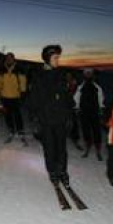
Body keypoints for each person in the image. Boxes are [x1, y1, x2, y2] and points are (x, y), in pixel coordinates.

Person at [28, 45, 74, 187]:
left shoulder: (61, 75)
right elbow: (33, 99)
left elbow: (66, 97)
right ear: (47, 59)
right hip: (46, 120)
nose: (58, 60)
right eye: (55, 57)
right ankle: (52, 171)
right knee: (49, 148)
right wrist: (35, 118)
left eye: (58, 57)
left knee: (61, 148)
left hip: (60, 119)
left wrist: (69, 114)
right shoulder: (39, 77)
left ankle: (62, 171)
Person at [0, 52, 27, 144]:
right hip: (4, 96)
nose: (9, 59)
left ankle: (20, 130)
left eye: (10, 58)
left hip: (15, 96)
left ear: (14, 59)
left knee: (17, 114)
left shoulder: (18, 69)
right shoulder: (2, 69)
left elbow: (23, 82)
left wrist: (23, 93)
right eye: (7, 58)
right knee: (7, 115)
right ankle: (11, 129)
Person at [74, 68, 105, 160]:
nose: (88, 74)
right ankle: (87, 148)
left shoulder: (97, 87)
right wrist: (76, 107)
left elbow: (101, 98)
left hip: (94, 112)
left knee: (97, 131)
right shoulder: (81, 87)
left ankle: (98, 150)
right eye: (86, 73)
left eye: (89, 73)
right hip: (84, 112)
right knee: (86, 131)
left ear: (92, 74)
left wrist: (101, 108)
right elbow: (76, 98)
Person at [66, 72, 83, 150]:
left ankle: (75, 139)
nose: (68, 77)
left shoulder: (77, 87)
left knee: (74, 123)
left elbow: (78, 97)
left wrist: (78, 107)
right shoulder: (65, 84)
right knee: (65, 121)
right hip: (65, 107)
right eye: (67, 76)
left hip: (73, 107)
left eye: (69, 76)